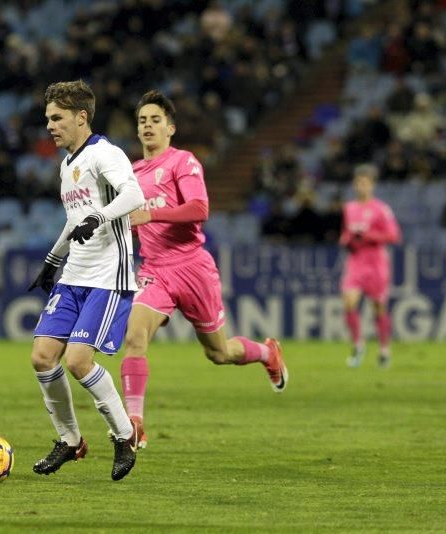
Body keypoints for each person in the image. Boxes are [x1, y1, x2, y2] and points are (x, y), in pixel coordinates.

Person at [119, 91, 288, 449]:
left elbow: (199, 208)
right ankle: (134, 424)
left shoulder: (183, 162)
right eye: (142, 121)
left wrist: (152, 213)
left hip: (193, 267)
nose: (148, 126)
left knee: (218, 353)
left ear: (170, 128)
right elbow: (132, 225)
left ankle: (267, 353)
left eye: (155, 120)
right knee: (135, 337)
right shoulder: (131, 174)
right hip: (155, 271)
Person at [27, 80, 145, 481]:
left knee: (78, 361)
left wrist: (101, 216)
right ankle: (70, 440)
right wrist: (52, 260)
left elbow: (134, 195)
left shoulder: (105, 154)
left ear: (81, 117)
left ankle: (123, 435)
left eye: (57, 118)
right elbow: (76, 219)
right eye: (47, 119)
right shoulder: (66, 165)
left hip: (108, 275)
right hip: (75, 273)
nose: (49, 126)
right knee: (43, 356)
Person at [340, 164, 401, 368]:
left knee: (378, 308)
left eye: (365, 183)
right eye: (358, 183)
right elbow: (347, 233)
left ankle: (384, 349)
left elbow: (394, 235)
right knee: (349, 301)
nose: (361, 186)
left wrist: (369, 235)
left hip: (377, 263)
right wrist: (346, 239)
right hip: (356, 261)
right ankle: (358, 345)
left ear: (372, 185)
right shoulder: (349, 208)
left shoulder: (381, 209)